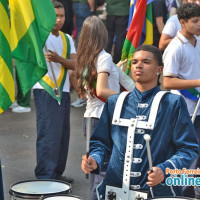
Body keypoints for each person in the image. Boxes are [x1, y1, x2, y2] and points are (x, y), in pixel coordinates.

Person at [81, 45, 199, 200]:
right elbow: (101, 143)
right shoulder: (115, 102)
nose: (138, 65)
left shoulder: (172, 103)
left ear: (159, 69)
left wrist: (164, 170)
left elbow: (188, 149)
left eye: (146, 62)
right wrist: (94, 159)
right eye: (135, 62)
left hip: (156, 194)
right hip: (114, 192)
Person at [76, 16, 134, 200]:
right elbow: (101, 89)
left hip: (91, 118)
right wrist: (127, 99)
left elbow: (89, 89)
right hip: (104, 118)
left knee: (95, 171)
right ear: (102, 34)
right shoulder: (104, 56)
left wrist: (115, 70)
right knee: (103, 173)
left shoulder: (86, 57)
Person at [33, 0, 76, 182]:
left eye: (62, 16)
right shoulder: (40, 36)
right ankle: (45, 176)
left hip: (64, 90)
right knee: (49, 134)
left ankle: (56, 172)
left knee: (62, 134)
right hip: (46, 89)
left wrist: (59, 59)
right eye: (55, 16)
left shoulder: (68, 38)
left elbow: (75, 63)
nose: (58, 20)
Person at [163, 3, 200, 198]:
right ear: (182, 23)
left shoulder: (198, 41)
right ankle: (181, 194)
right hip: (183, 109)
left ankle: (191, 190)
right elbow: (168, 81)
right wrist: (197, 82)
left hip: (198, 107)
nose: (199, 25)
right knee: (185, 154)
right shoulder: (175, 47)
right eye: (195, 21)